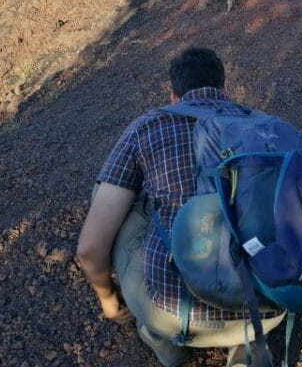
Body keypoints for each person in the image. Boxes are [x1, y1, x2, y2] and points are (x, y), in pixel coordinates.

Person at [77, 47, 284, 366]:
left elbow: (89, 250)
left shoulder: (147, 126)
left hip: (173, 313)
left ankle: (167, 346)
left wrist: (109, 301)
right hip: (268, 305)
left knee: (110, 195)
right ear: (224, 90)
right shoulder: (264, 126)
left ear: (173, 95)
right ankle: (247, 344)